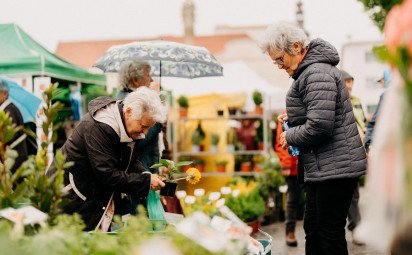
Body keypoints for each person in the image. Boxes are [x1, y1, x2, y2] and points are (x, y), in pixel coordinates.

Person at [261, 22, 366, 255]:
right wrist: (296, 116)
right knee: (315, 230)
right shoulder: (313, 71)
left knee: (328, 233)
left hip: (334, 169)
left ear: (296, 47)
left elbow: (320, 125)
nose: (278, 66)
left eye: (279, 59)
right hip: (327, 167)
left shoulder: (316, 72)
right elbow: (322, 113)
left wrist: (290, 135)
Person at [50, 87, 167, 231]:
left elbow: (131, 160)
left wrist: (145, 174)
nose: (145, 132)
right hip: (72, 196)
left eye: (149, 127)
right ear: (129, 112)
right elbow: (106, 175)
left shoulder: (129, 125)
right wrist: (145, 182)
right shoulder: (99, 127)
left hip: (92, 195)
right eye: (143, 126)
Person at [116, 61, 169, 214]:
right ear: (135, 80)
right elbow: (141, 137)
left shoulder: (134, 98)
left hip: (144, 168)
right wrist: (157, 114)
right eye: (148, 75)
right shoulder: (129, 101)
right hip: (138, 170)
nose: (151, 79)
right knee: (138, 214)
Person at [341, 70, 366, 245]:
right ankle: (351, 228)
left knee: (354, 194)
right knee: (345, 195)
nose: (349, 85)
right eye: (346, 82)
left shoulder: (357, 101)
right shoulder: (339, 102)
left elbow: (363, 122)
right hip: (344, 153)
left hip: (358, 152)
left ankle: (356, 228)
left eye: (351, 82)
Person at [274, 111, 300, 247]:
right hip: (293, 165)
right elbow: (281, 141)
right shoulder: (285, 114)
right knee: (292, 199)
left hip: (312, 163)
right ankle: (290, 231)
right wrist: (285, 163)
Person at [0, 80, 28, 173]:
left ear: (4, 93)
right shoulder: (8, 109)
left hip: (15, 161)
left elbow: (9, 136)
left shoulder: (9, 111)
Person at [364, 69, 391, 152]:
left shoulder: (386, 96)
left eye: (381, 81)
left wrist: (369, 144)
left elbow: (374, 122)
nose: (381, 84)